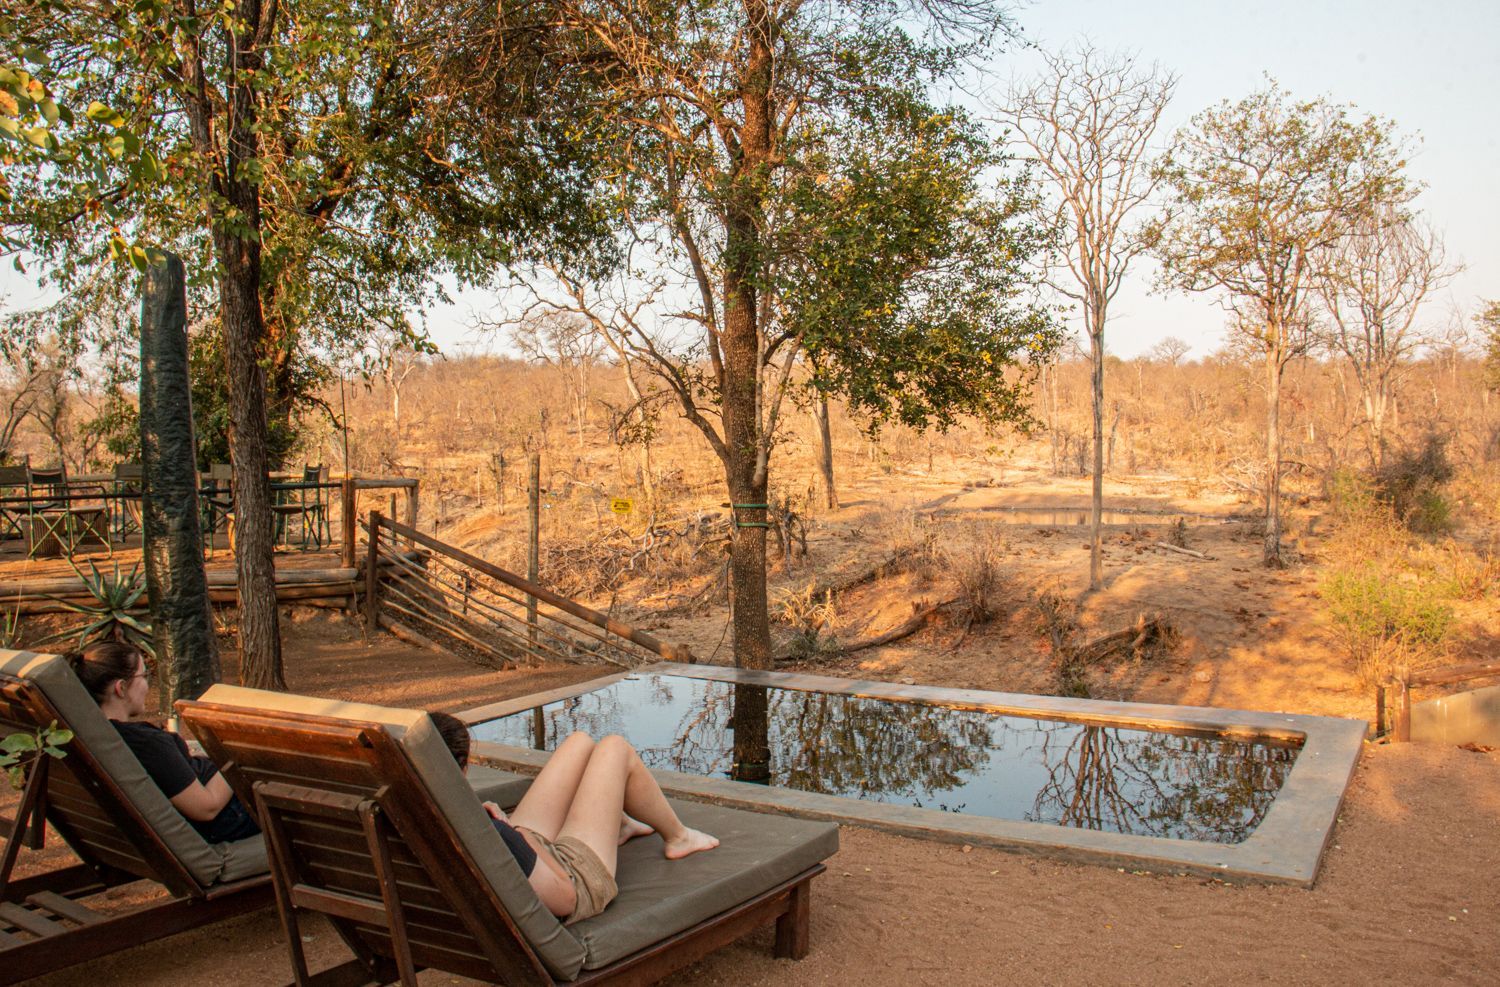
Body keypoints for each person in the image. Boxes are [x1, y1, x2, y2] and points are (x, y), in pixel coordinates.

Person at [428, 712, 718, 924]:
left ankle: (620, 822)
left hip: (518, 859)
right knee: (615, 748)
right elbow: (566, 897)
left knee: (579, 742)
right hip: (575, 879)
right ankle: (679, 837)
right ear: (462, 767)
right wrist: (516, 835)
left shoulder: (419, 807)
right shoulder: (490, 833)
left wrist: (507, 831)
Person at [65, 640, 259, 844]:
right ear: (121, 688)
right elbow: (207, 807)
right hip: (231, 818)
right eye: (144, 676)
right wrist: (236, 755)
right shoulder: (146, 744)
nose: (148, 685)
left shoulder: (95, 736)